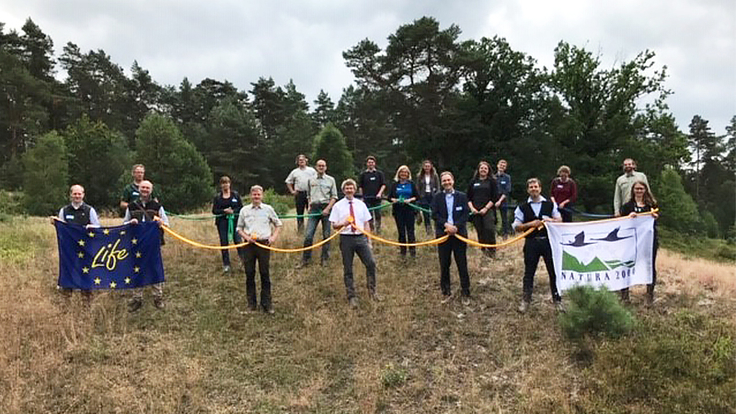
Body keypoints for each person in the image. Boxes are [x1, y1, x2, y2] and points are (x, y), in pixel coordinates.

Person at [513, 178, 563, 313]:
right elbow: (516, 226)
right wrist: (530, 224)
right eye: (531, 187)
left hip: (548, 243)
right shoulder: (522, 207)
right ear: (527, 190)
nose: (533, 189)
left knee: (553, 272)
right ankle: (526, 301)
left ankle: (557, 301)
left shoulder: (550, 204)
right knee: (529, 273)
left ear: (540, 188)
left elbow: (559, 220)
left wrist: (550, 220)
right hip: (531, 243)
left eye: (536, 186)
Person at [329, 179, 379, 308]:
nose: (349, 190)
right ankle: (351, 296)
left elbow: (367, 223)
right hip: (346, 239)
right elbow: (334, 225)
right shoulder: (338, 206)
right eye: (347, 188)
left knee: (371, 263)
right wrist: (343, 224)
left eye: (351, 188)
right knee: (348, 268)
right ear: (343, 190)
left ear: (355, 190)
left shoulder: (361, 205)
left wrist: (369, 240)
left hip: (361, 238)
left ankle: (372, 292)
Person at [124, 180, 169, 312]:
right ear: (139, 189)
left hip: (153, 244)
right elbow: (124, 223)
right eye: (142, 187)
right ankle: (137, 298)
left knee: (154, 268)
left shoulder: (157, 205)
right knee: (137, 269)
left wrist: (161, 222)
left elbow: (167, 223)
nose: (144, 190)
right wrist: (130, 222)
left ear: (151, 190)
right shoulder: (132, 206)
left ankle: (158, 297)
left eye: (147, 188)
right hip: (136, 243)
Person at [237, 185, 283, 314]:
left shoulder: (268, 209)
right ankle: (251, 305)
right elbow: (239, 228)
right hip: (248, 245)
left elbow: (278, 224)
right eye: (254, 194)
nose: (256, 197)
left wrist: (273, 237)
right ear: (251, 196)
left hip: (264, 245)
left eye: (258, 194)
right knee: (249, 274)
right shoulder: (244, 210)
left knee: (264, 274)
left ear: (262, 196)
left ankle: (267, 304)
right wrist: (247, 237)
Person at [52, 184, 101, 302]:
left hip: (86, 248)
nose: (77, 196)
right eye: (75, 194)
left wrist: (91, 227)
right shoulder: (64, 210)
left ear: (83, 195)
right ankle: (66, 301)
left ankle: (86, 302)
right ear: (71, 195)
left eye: (79, 194)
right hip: (69, 249)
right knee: (68, 272)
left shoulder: (90, 210)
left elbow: (98, 227)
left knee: (86, 273)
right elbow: (62, 228)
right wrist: (55, 223)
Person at [431, 171, 471, 305]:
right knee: (444, 264)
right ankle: (446, 291)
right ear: (441, 183)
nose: (447, 183)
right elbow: (434, 214)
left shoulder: (462, 196)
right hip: (443, 234)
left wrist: (456, 227)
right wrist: (447, 225)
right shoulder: (437, 197)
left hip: (459, 235)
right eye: (444, 181)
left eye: (449, 180)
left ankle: (465, 292)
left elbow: (466, 214)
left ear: (453, 181)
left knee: (462, 263)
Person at [619, 180, 659, 306]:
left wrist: (654, 217)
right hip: (631, 241)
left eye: (641, 189)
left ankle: (649, 295)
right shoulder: (627, 206)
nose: (639, 191)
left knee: (650, 265)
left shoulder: (651, 205)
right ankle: (624, 295)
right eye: (637, 189)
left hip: (648, 241)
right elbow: (621, 221)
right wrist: (628, 217)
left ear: (645, 190)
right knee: (626, 264)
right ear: (633, 190)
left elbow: (655, 222)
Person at [297, 159, 337, 268]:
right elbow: (308, 195)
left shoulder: (331, 180)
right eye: (319, 166)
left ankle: (325, 259)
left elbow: (334, 197)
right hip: (314, 209)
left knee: (326, 235)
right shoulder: (311, 180)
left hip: (326, 208)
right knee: (308, 236)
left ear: (326, 167)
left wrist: (328, 209)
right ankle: (305, 260)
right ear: (316, 167)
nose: (321, 167)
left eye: (323, 166)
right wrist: (310, 205)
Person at [467, 161, 500, 258]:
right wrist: (472, 209)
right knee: (480, 231)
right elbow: (468, 197)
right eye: (481, 168)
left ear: (488, 170)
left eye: (485, 168)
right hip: (475, 211)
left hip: (488, 209)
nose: (483, 170)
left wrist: (485, 208)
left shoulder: (492, 182)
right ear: (478, 170)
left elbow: (494, 197)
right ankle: (483, 252)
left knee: (489, 229)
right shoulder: (473, 182)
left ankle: (492, 252)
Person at [212, 176, 245, 273]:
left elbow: (241, 208)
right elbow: (214, 211)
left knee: (238, 241)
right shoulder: (217, 197)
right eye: (223, 183)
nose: (225, 185)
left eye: (227, 183)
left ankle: (243, 262)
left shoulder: (235, 195)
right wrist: (224, 211)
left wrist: (233, 211)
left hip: (235, 222)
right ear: (221, 185)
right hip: (222, 223)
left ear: (230, 184)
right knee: (224, 242)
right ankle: (226, 264)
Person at [388, 165, 420, 258]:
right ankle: (403, 253)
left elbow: (417, 196)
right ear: (399, 173)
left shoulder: (411, 184)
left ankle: (413, 252)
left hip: (409, 210)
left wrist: (410, 200)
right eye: (402, 172)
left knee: (411, 231)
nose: (403, 174)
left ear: (408, 174)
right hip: (398, 211)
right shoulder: (395, 184)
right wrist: (395, 200)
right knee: (401, 232)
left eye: (405, 172)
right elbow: (389, 197)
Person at [285, 154, 317, 233]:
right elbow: (288, 181)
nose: (301, 161)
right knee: (300, 213)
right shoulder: (295, 172)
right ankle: (300, 230)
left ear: (306, 160)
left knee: (311, 212)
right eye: (300, 160)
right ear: (297, 162)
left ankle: (310, 230)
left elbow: (317, 180)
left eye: (303, 160)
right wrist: (292, 191)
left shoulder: (312, 170)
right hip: (299, 194)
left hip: (310, 194)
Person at [358, 155, 386, 234]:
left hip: (377, 199)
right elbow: (360, 186)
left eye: (372, 162)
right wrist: (362, 197)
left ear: (375, 163)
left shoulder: (379, 174)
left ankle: (378, 230)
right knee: (369, 216)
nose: (370, 164)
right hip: (367, 198)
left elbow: (383, 185)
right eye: (369, 162)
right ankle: (371, 230)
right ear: (367, 164)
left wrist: (380, 193)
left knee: (378, 215)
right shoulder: (363, 174)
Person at [415, 159, 440, 235]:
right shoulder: (419, 176)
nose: (427, 168)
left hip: (433, 196)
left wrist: (437, 195)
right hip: (423, 196)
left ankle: (437, 229)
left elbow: (438, 186)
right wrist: (418, 197)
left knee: (435, 213)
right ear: (423, 167)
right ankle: (429, 231)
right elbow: (418, 187)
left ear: (431, 167)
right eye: (425, 166)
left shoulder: (435, 175)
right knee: (426, 215)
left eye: (428, 166)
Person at [494, 159, 511, 239]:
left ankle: (505, 235)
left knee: (504, 219)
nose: (502, 167)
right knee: (493, 218)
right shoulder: (493, 177)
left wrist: (499, 201)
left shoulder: (507, 177)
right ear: (497, 165)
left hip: (503, 200)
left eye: (504, 166)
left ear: (505, 168)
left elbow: (507, 190)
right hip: (493, 200)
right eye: (501, 165)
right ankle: (494, 234)